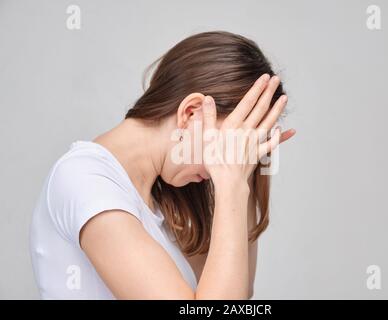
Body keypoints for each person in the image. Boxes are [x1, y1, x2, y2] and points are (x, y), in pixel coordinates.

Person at [29, 31, 296, 299]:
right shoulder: (85, 179)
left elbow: (236, 290)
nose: (238, 157)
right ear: (191, 113)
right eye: (236, 143)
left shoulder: (160, 200)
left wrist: (244, 175)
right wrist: (231, 185)